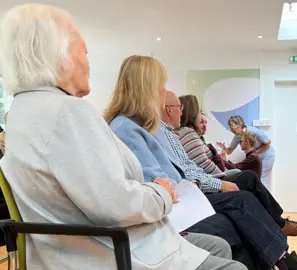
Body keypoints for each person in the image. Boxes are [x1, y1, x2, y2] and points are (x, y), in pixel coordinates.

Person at [0, 4, 247, 270]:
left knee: (219, 243)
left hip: (73, 249)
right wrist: (161, 192)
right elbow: (115, 205)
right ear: (59, 55)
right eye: (84, 50)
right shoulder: (67, 112)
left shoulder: (20, 114)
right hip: (109, 251)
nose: (88, 62)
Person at [105, 56, 297, 270]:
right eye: (161, 86)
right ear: (145, 88)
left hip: (183, 197)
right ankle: (284, 260)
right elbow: (158, 185)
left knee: (241, 207)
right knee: (240, 205)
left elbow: (181, 170)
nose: (163, 93)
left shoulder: (141, 126)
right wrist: (209, 184)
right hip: (176, 206)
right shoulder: (128, 129)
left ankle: (281, 260)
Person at [165, 92, 297, 237]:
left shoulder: (250, 134)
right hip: (207, 182)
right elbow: (205, 165)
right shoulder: (188, 134)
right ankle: (280, 223)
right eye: (200, 115)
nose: (203, 121)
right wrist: (223, 172)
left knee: (249, 179)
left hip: (257, 158)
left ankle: (278, 223)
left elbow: (267, 142)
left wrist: (254, 153)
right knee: (248, 178)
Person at [218, 115, 275, 188]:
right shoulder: (238, 136)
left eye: (232, 128)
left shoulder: (253, 131)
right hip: (256, 155)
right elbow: (229, 151)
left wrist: (256, 153)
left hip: (267, 154)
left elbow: (268, 142)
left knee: (262, 180)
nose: (231, 131)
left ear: (239, 126)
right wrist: (223, 148)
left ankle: (264, 198)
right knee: (255, 180)